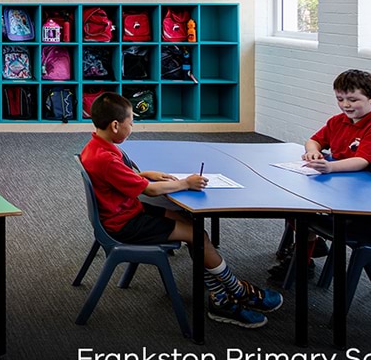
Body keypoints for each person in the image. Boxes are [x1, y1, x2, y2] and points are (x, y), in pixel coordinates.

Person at [80, 92, 282, 328]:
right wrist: (186, 183)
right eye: (131, 122)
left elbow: (125, 178)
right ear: (115, 125)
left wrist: (146, 173)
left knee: (190, 221)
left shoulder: (97, 147)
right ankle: (236, 291)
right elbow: (151, 191)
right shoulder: (106, 158)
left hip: (124, 212)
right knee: (197, 234)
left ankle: (220, 296)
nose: (133, 126)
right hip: (125, 224)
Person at [270, 69, 371, 280]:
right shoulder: (337, 121)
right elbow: (314, 140)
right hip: (342, 186)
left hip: (368, 199)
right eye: (340, 99)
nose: (346, 105)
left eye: (352, 99)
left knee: (303, 212)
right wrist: (312, 150)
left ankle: (303, 260)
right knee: (291, 202)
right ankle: (311, 245)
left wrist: (330, 167)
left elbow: (362, 161)